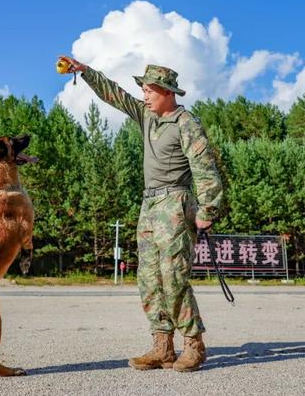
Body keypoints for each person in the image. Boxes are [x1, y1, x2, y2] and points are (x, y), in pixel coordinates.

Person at [59, 57, 223, 372]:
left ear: (166, 91)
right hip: (149, 206)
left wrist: (207, 209)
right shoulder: (146, 115)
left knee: (173, 276)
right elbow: (115, 95)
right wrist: (86, 72)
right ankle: (162, 347)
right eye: (144, 90)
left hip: (175, 203)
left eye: (149, 90)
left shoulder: (186, 123)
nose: (144, 95)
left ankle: (193, 344)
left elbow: (205, 169)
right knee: (149, 278)